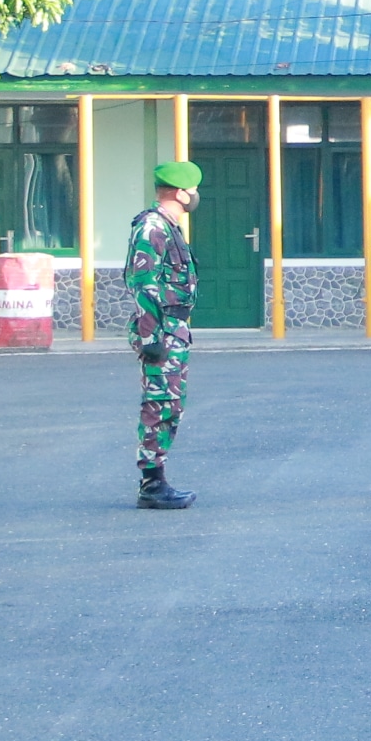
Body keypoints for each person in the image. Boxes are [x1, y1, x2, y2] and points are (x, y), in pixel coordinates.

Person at [127, 160, 201, 509]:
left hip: (174, 329)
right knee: (158, 405)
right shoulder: (152, 228)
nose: (196, 196)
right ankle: (151, 484)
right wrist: (149, 336)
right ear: (181, 192)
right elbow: (142, 283)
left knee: (171, 405)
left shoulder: (169, 227)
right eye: (193, 189)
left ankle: (157, 479)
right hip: (161, 330)